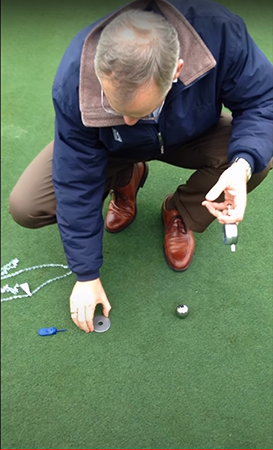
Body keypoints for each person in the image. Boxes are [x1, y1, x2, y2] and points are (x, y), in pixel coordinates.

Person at [9, 0, 273, 333]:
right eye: (117, 109)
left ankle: (181, 211)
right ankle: (126, 176)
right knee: (27, 206)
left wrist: (242, 165)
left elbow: (264, 101)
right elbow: (75, 177)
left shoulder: (220, 31)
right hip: (112, 147)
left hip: (191, 132)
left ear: (176, 71)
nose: (129, 120)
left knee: (258, 158)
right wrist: (86, 275)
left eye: (139, 111)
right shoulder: (76, 75)